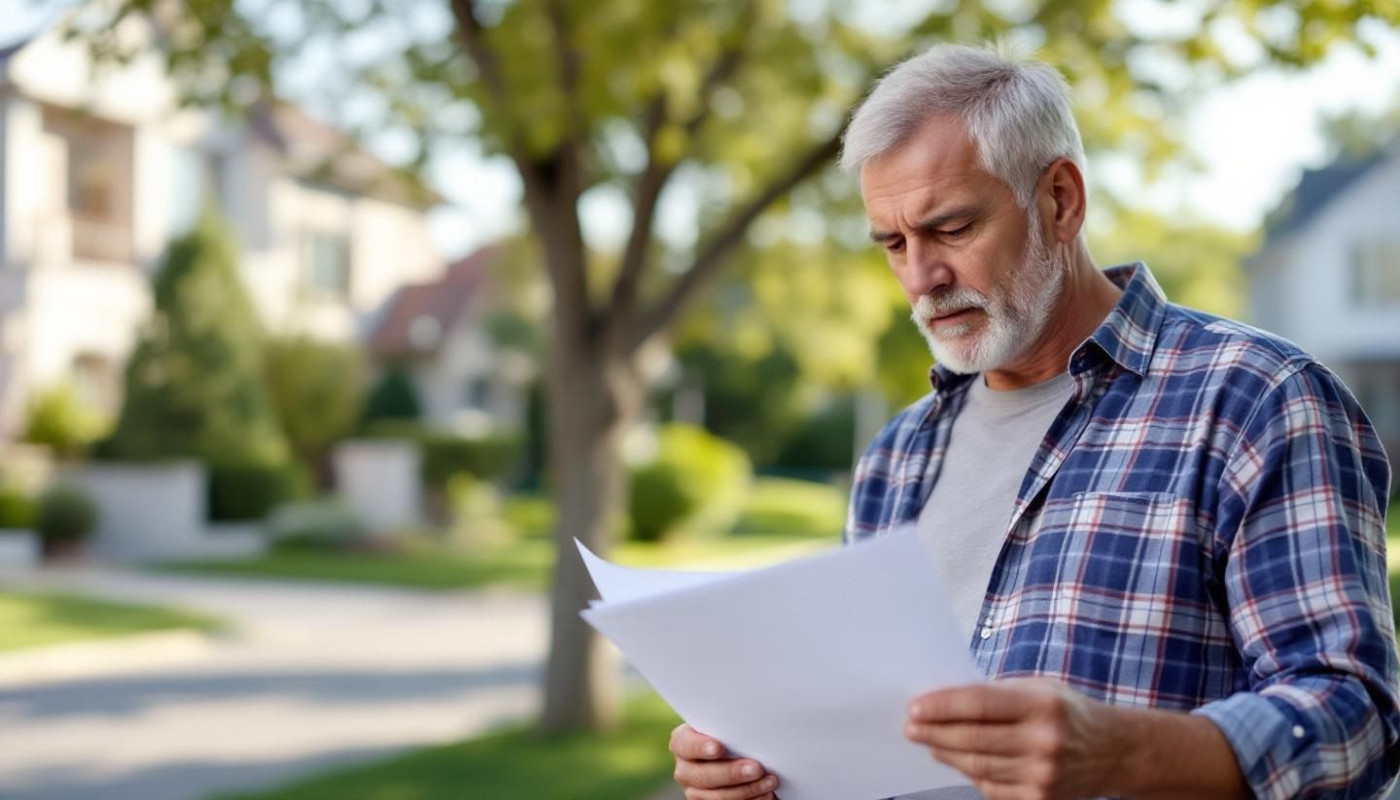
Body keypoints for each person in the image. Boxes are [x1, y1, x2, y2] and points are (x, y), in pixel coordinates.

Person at [668, 43, 1400, 800]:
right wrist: (762, 770)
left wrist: (1125, 754)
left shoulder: (1259, 401)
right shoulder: (896, 459)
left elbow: (1359, 720)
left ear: (1059, 199)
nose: (921, 278)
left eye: (951, 229)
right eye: (893, 243)